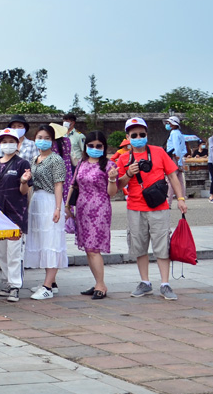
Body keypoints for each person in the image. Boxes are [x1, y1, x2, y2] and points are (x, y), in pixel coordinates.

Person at [114, 117, 188, 301]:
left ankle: (165, 284)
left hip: (159, 206)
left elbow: (172, 176)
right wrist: (129, 173)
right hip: (135, 207)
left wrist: (180, 198)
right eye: (134, 135)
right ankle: (145, 282)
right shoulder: (123, 158)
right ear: (128, 137)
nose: (138, 137)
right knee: (139, 246)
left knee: (162, 245)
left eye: (141, 134)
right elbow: (117, 185)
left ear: (147, 135)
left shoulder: (158, 152)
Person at [66, 131, 118, 300]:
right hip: (82, 208)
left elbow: (112, 193)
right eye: (91, 146)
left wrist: (111, 179)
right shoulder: (81, 163)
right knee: (88, 248)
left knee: (94, 248)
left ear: (104, 147)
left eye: (98, 146)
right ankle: (97, 282)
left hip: (100, 208)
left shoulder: (109, 165)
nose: (95, 149)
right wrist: (67, 206)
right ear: (85, 146)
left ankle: (101, 285)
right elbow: (73, 185)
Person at [0, 128, 32, 302]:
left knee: (14, 252)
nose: (7, 144)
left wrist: (24, 181)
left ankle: (15, 285)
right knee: (1, 252)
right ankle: (6, 282)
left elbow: (24, 191)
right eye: (3, 141)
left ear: (17, 143)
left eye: (10, 141)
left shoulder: (22, 164)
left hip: (16, 214)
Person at [25, 124, 67, 300]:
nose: (43, 141)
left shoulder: (56, 160)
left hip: (50, 201)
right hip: (37, 200)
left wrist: (57, 208)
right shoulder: (35, 159)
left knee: (52, 241)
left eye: (47, 138)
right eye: (40, 137)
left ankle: (47, 286)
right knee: (43, 241)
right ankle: (50, 281)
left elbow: (58, 184)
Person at [164, 116, 187, 203]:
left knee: (170, 180)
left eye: (169, 123)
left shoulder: (174, 133)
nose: (168, 125)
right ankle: (182, 199)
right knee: (180, 180)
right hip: (179, 157)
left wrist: (178, 159)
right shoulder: (179, 133)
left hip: (174, 157)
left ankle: (168, 202)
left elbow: (176, 147)